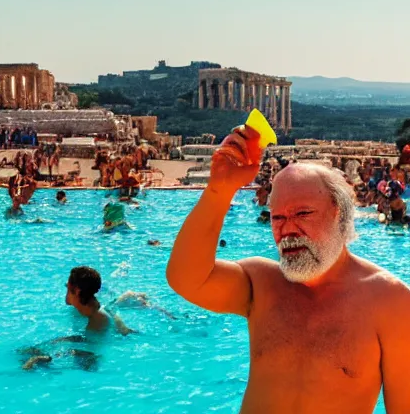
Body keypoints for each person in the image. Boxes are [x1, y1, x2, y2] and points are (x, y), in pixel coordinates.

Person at [167, 125, 410, 413]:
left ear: (338, 213)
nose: (287, 229)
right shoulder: (261, 283)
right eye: (277, 217)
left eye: (303, 213)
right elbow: (185, 278)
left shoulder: (391, 302)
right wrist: (219, 190)